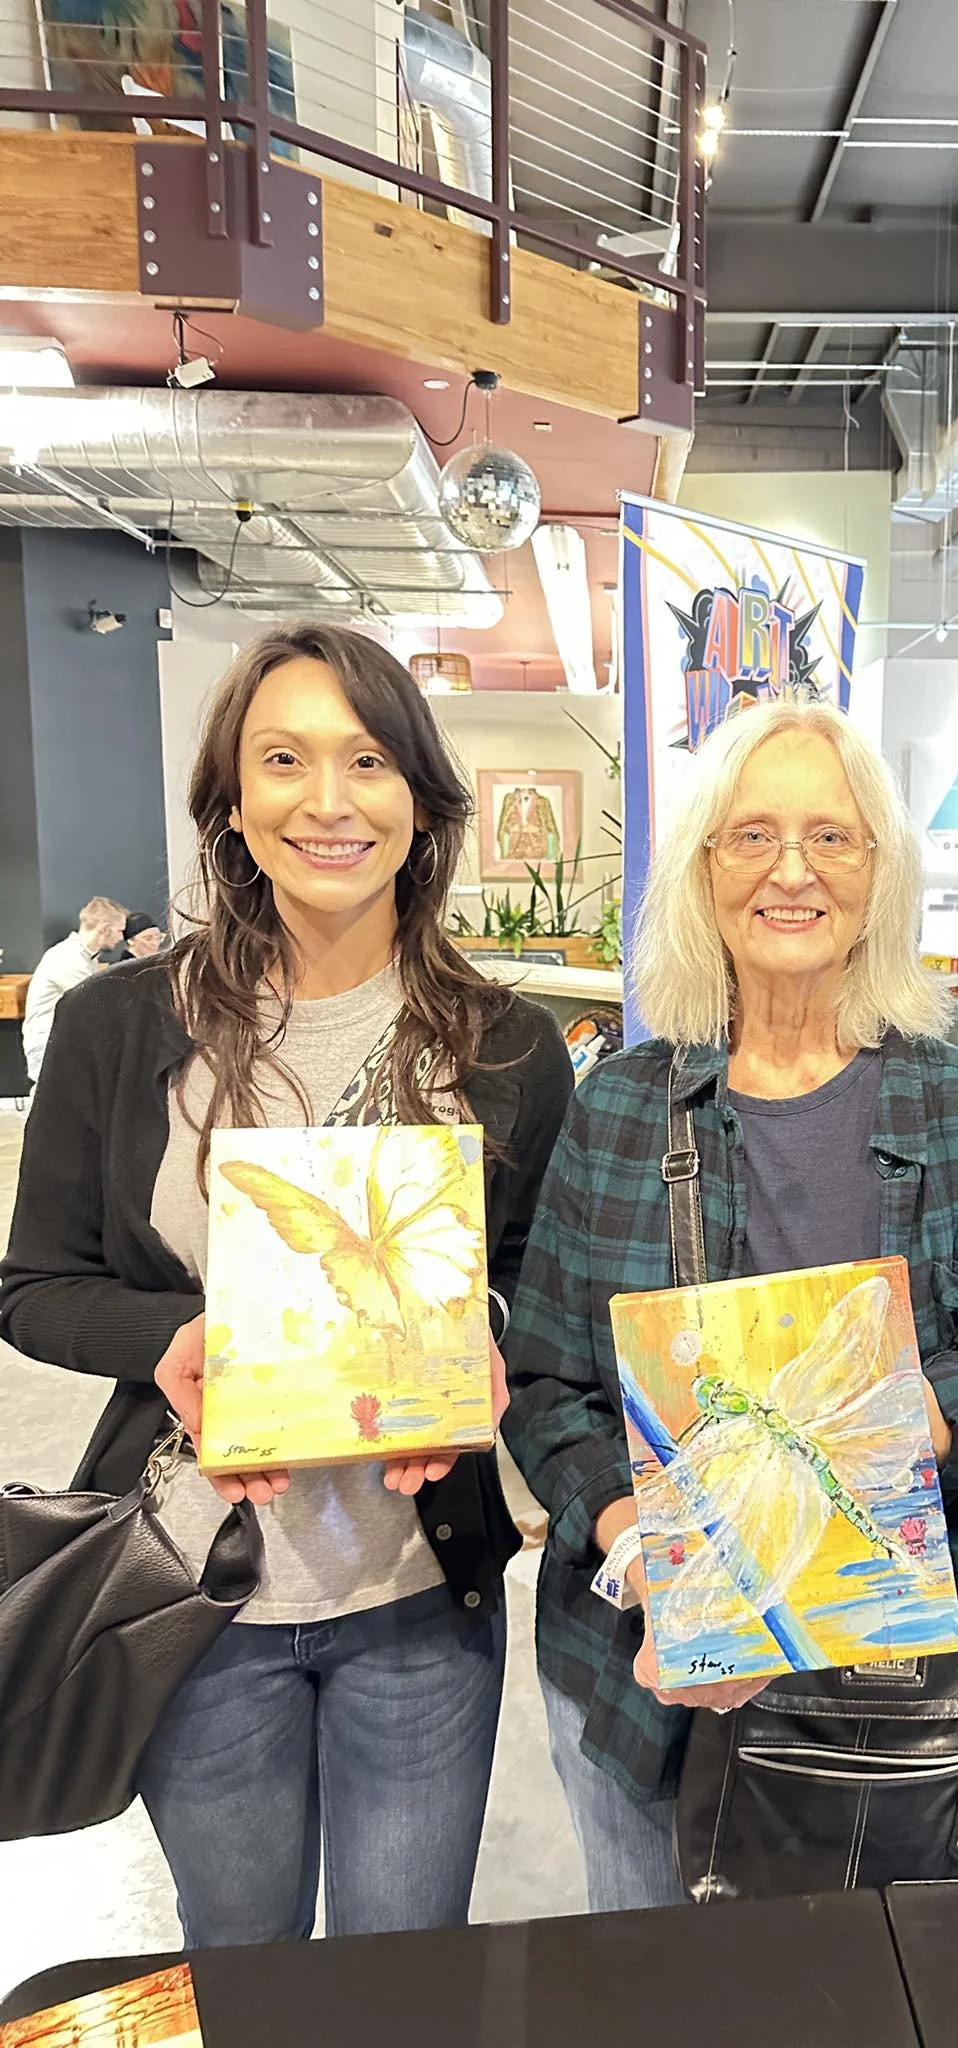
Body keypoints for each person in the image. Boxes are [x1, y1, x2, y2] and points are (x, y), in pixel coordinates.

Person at [0, 623, 573, 1945]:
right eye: (285, 760)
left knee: (396, 1975)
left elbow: (535, 1280)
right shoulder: (120, 1026)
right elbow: (31, 1287)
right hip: (196, 1594)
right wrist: (173, 1340)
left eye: (367, 760)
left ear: (421, 804)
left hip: (423, 1605)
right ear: (232, 801)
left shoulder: (508, 1050)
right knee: (242, 1962)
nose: (328, 800)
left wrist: (478, 1347)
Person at [504, 698, 958, 1913]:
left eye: (833, 835)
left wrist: (920, 1414)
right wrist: (627, 1537)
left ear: (881, 870)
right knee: (659, 1992)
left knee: (868, 1996)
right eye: (750, 836)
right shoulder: (621, 1108)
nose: (792, 870)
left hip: (890, 1696)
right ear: (705, 873)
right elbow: (548, 1383)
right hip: (641, 1673)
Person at [20, 894, 126, 1078]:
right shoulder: (68, 958)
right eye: (119, 930)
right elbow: (98, 1004)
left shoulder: (86, 958)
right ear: (105, 929)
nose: (121, 937)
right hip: (49, 1048)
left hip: (63, 1046)